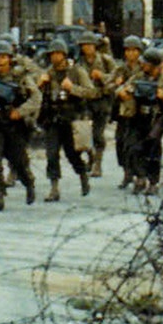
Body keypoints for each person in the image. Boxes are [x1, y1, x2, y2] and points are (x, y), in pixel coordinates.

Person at [0, 40, 40, 211]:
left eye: (3, 57)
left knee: (18, 161)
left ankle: (29, 183)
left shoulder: (20, 78)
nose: (0, 61)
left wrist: (20, 111)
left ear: (10, 58)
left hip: (14, 125)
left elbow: (36, 98)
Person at [35, 37, 95, 202]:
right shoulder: (48, 73)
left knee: (72, 153)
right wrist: (40, 84)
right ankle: (54, 188)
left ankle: (82, 174)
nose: (54, 57)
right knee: (52, 153)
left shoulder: (76, 71)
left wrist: (72, 88)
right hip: (53, 118)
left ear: (64, 54)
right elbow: (35, 93)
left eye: (58, 54)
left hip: (71, 118)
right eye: (52, 54)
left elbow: (91, 92)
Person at [115, 46, 163, 193]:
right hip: (137, 117)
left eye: (146, 63)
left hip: (155, 119)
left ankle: (153, 182)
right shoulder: (138, 77)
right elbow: (121, 88)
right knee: (133, 148)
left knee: (152, 150)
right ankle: (140, 176)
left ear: (153, 65)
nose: (143, 65)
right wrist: (123, 93)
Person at [74, 32, 114, 177]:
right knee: (84, 134)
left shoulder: (105, 61)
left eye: (90, 45)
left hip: (102, 101)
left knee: (98, 134)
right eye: (84, 45)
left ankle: (98, 164)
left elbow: (117, 78)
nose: (87, 48)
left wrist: (102, 76)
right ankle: (90, 157)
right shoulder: (79, 63)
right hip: (85, 102)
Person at [108, 36, 146, 189]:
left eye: (134, 50)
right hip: (123, 112)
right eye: (128, 50)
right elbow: (108, 85)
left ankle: (140, 175)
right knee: (120, 142)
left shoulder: (144, 68)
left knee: (136, 145)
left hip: (139, 112)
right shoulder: (120, 69)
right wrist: (117, 87)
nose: (131, 54)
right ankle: (127, 172)